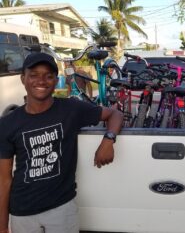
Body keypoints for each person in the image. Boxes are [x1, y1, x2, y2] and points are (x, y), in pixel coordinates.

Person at [0, 52, 123, 233]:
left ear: (55, 80)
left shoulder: (71, 109)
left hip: (62, 209)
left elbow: (115, 114)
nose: (41, 81)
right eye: (33, 75)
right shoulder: (8, 123)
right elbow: (4, 180)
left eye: (48, 76)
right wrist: (2, 227)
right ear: (22, 79)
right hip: (22, 213)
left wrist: (108, 140)